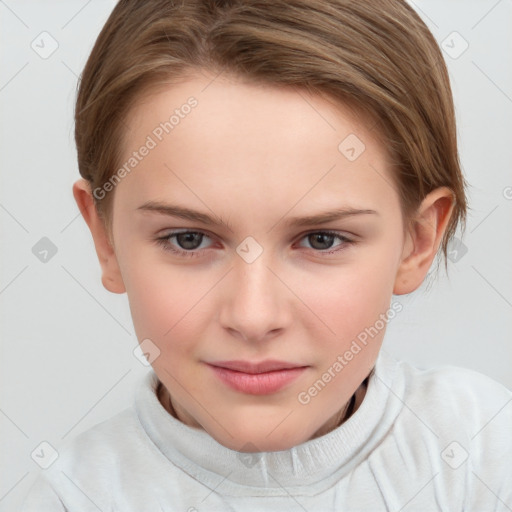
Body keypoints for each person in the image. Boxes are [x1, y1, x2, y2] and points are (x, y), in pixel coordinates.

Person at [21, 0, 512, 510]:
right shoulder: (72, 498)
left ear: (418, 240)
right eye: (188, 239)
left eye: (322, 239)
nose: (254, 317)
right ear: (105, 239)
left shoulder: (484, 456)